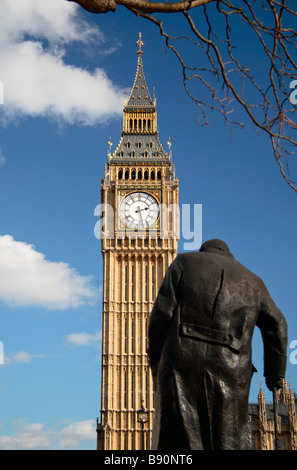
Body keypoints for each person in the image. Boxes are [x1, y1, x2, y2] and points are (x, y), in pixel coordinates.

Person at [147, 239, 287, 450]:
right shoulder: (253, 281)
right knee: (228, 436)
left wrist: (155, 356)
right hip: (232, 366)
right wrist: (275, 375)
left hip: (182, 361)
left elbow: (162, 313)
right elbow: (278, 324)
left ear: (204, 250)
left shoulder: (184, 262)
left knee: (180, 434)